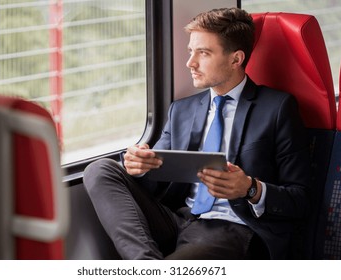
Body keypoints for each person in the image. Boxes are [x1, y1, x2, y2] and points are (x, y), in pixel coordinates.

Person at [83, 7, 311, 260]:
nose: (190, 63)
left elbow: (300, 199)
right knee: (100, 169)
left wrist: (250, 188)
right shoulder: (181, 110)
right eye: (191, 51)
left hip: (232, 228)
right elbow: (153, 181)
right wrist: (140, 166)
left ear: (236, 59)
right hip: (178, 218)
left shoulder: (277, 108)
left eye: (203, 53)